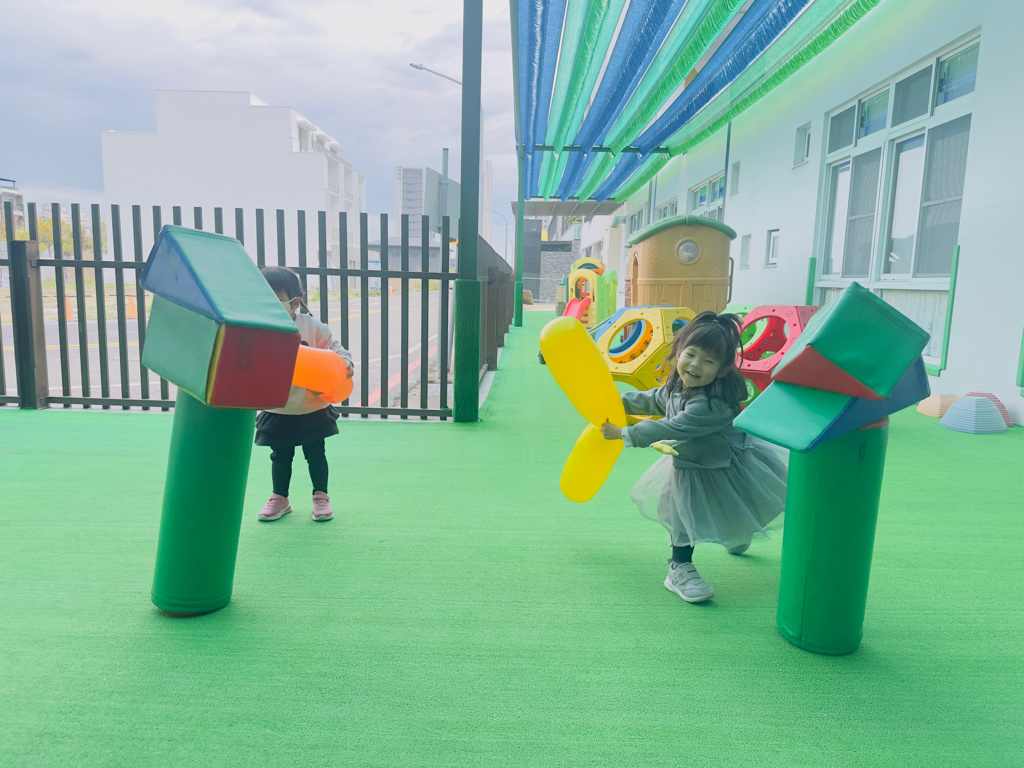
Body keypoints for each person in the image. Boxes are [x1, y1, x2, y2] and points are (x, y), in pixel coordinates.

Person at [600, 311, 787, 603]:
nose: (696, 365)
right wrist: (613, 403)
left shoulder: (712, 404)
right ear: (678, 351)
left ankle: (732, 534)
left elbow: (672, 427)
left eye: (708, 361)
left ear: (721, 370)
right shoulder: (677, 384)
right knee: (683, 513)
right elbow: (654, 399)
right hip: (690, 463)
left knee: (734, 502)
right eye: (691, 354)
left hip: (727, 461)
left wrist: (624, 433)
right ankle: (679, 566)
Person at [255, 266, 353, 523]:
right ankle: (280, 498)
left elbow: (339, 352)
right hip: (278, 407)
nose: (269, 305)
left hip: (311, 407)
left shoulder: (312, 328)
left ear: (295, 302)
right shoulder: (257, 328)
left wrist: (345, 364)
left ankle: (321, 497)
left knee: (315, 454)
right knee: (280, 455)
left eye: (276, 300)